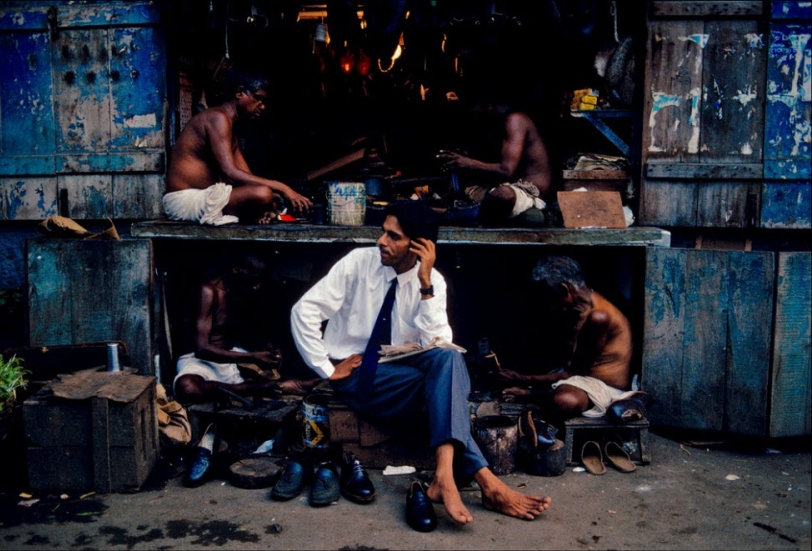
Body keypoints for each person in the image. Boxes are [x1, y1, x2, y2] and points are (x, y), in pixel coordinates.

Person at [291, 200, 551, 529]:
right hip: (358, 377)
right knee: (447, 390)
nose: (381, 241)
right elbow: (304, 311)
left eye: (393, 236)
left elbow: (438, 344)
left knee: (448, 359)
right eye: (383, 232)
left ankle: (447, 476)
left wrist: (425, 284)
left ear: (419, 246)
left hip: (401, 379)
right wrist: (326, 369)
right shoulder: (358, 263)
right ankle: (486, 482)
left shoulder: (433, 282)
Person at [163, 70, 312, 226]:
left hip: (206, 197)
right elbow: (231, 173)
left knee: (269, 198)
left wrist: (271, 200)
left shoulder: (230, 128)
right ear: (240, 93)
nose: (262, 107)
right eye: (258, 99)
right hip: (184, 201)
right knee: (263, 194)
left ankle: (258, 213)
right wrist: (283, 188)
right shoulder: (217, 118)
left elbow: (246, 177)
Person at [500, 256, 638, 420]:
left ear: (566, 290)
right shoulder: (584, 309)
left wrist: (524, 382)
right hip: (582, 381)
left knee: (565, 400)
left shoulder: (599, 317)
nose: (550, 305)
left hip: (603, 388)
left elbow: (575, 372)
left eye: (551, 297)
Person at [174, 253, 320, 405]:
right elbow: (202, 350)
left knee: (273, 370)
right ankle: (249, 388)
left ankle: (273, 385)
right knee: (188, 388)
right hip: (199, 362)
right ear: (236, 270)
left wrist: (265, 349)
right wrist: (253, 357)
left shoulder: (238, 292)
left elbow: (238, 332)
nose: (257, 286)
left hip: (232, 360)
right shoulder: (208, 292)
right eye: (254, 278)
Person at [437, 87, 552, 228]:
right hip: (507, 189)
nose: (473, 112)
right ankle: (497, 216)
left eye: (474, 107)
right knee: (466, 191)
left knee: (503, 195)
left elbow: (507, 170)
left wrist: (470, 163)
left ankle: (467, 217)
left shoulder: (515, 120)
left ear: (487, 105)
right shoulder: (499, 124)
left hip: (529, 195)